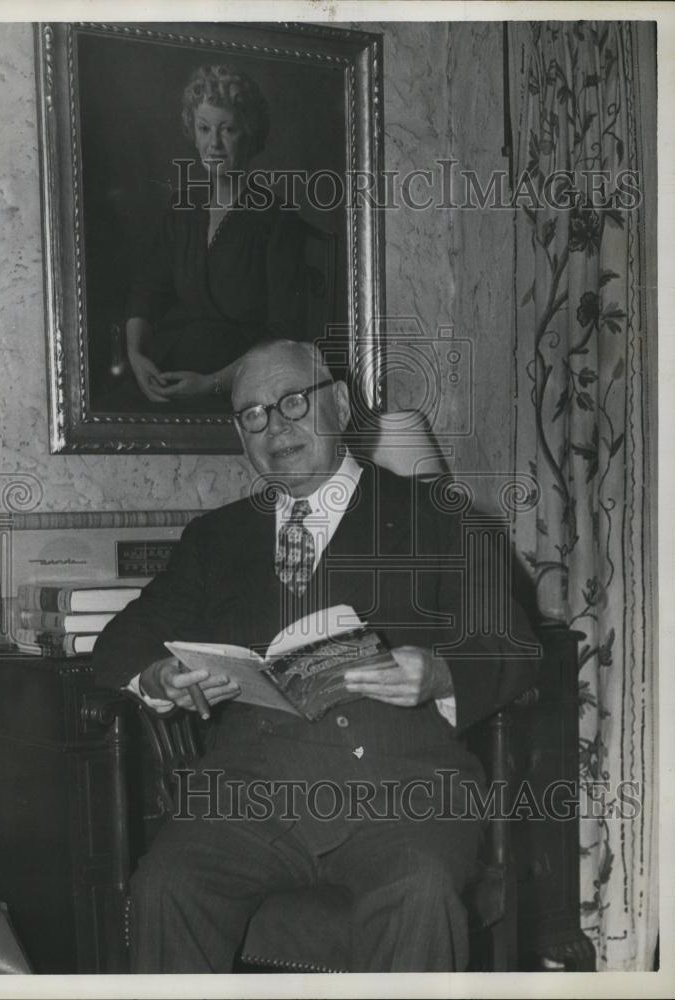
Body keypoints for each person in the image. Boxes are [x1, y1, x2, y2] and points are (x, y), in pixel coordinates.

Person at [93, 339, 539, 972]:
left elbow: (514, 647)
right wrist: (161, 677)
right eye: (253, 414)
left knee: (417, 891)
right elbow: (120, 643)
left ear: (344, 404)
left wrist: (438, 672)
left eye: (294, 402)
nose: (275, 426)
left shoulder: (437, 519)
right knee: (167, 884)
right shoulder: (215, 539)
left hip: (401, 794)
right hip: (248, 798)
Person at [125, 65, 312, 408]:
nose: (214, 144)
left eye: (228, 129)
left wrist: (211, 385)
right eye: (204, 128)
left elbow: (286, 337)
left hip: (243, 393)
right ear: (192, 133)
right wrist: (136, 357)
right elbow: (147, 294)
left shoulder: (278, 222)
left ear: (250, 134)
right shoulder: (182, 211)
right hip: (164, 379)